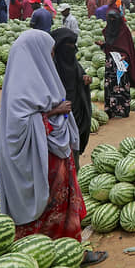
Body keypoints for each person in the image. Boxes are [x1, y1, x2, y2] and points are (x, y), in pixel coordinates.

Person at [0, 29, 107, 266]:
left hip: (54, 159)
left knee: (61, 209)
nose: (53, 56)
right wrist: (54, 112)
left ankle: (70, 253)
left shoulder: (42, 76)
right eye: (51, 52)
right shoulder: (19, 89)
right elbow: (20, 126)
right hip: (39, 163)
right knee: (44, 209)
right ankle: (37, 259)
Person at [51, 27, 92, 169]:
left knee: (74, 146)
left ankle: (74, 175)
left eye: (73, 46)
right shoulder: (50, 67)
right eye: (68, 46)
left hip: (74, 107)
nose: (71, 49)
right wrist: (56, 109)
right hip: (56, 114)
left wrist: (85, 79)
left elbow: (79, 74)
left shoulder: (72, 62)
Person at [95, 10, 135, 118]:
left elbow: (129, 48)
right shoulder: (107, 31)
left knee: (121, 86)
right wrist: (103, 45)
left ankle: (122, 110)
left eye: (114, 20)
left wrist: (125, 56)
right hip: (110, 63)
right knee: (109, 86)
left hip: (121, 63)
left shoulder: (124, 31)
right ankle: (110, 109)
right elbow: (109, 46)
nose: (112, 22)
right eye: (110, 20)